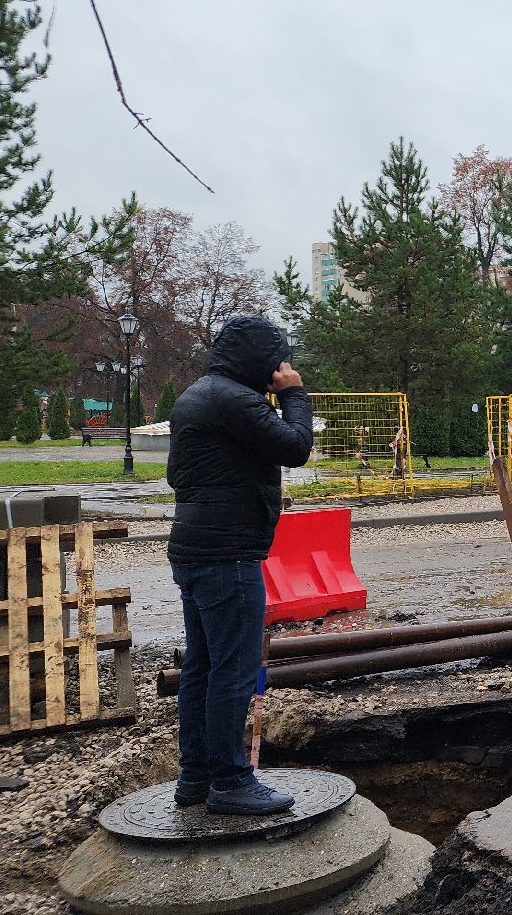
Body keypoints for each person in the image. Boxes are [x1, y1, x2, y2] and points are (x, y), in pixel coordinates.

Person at [167, 316, 314, 815]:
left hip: (195, 550)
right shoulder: (236, 399)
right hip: (227, 556)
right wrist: (294, 394)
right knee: (235, 668)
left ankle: (196, 778)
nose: (281, 366)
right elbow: (295, 447)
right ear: (261, 358)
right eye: (277, 357)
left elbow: (182, 475)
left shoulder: (196, 395)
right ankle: (231, 780)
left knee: (202, 666)